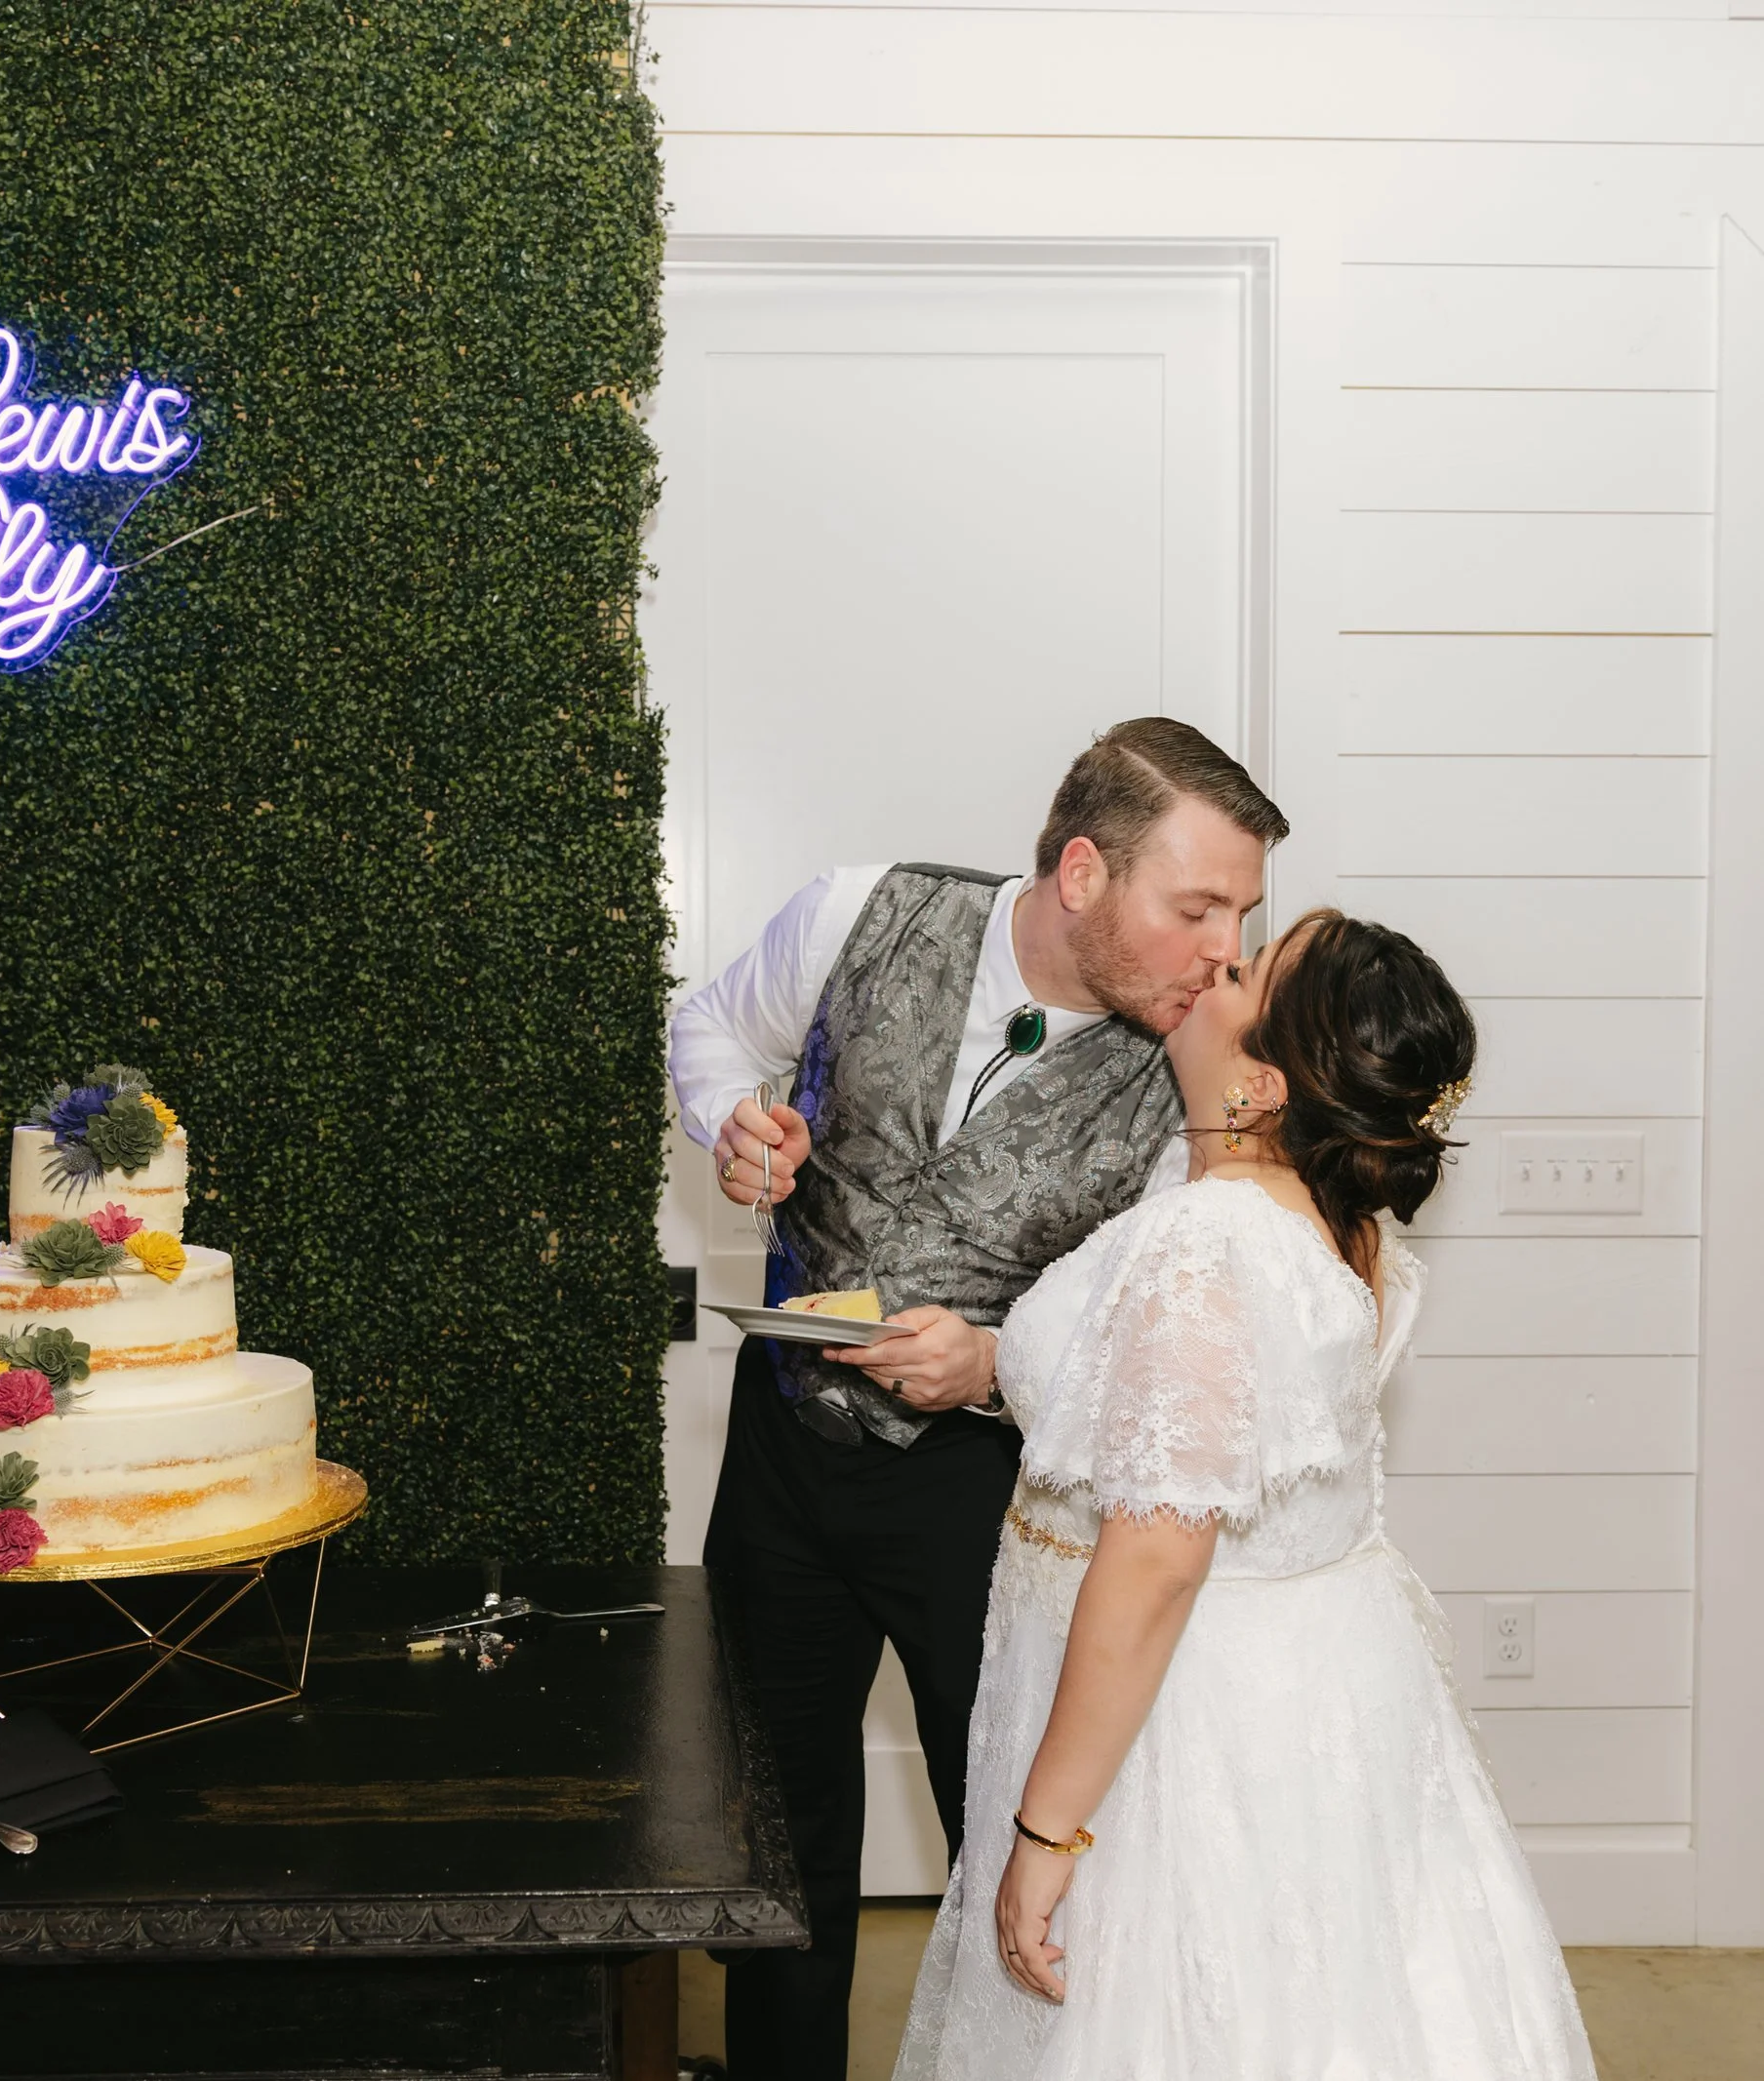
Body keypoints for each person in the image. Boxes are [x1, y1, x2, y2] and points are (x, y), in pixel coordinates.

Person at [667, 718, 1287, 2081]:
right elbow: (707, 1025)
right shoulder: (854, 910)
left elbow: (1155, 1346)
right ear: (1083, 872)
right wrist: (731, 1122)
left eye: (1241, 916)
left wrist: (993, 1368)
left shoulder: (1192, 1071)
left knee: (1005, 1830)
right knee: (777, 1837)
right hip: (779, 1463)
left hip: (992, 1504)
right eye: (1197, 907)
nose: (1223, 950)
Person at [893, 911, 1596, 2079]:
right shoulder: (1327, 1220)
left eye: (1246, 970)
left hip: (1181, 1731)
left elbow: (1158, 1555)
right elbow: (1190, 1416)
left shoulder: (1208, 1238)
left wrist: (1047, 1829)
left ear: (1262, 1082)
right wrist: (986, 1366)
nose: (1214, 963)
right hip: (1319, 1702)